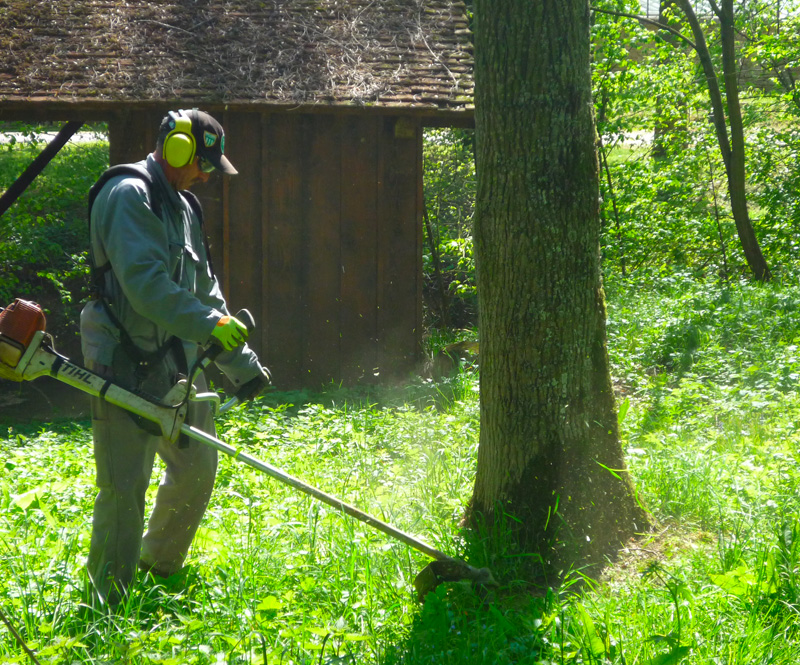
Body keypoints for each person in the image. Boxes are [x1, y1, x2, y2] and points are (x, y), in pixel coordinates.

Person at [80, 108, 270, 606]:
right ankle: (109, 600)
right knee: (124, 486)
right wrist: (210, 326)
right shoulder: (129, 196)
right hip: (123, 356)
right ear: (176, 147)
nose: (206, 175)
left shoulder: (185, 207)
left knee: (197, 466)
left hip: (177, 359)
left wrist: (241, 362)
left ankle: (157, 565)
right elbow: (146, 288)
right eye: (202, 164)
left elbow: (204, 289)